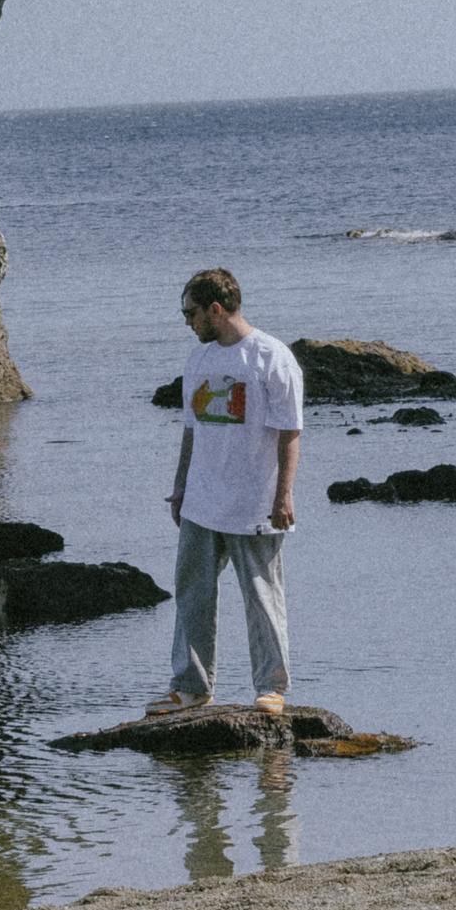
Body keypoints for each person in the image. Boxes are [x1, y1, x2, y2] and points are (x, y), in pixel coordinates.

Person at [150, 267, 303, 716]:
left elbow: (290, 432)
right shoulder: (197, 360)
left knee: (261, 596)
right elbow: (191, 431)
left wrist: (284, 496)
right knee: (192, 592)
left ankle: (271, 687)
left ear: (215, 309)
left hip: (254, 503)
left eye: (191, 313)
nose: (187, 322)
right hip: (201, 501)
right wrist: (179, 489)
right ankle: (191, 687)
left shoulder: (271, 357)